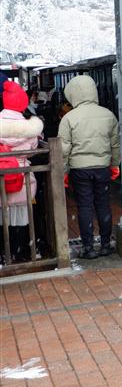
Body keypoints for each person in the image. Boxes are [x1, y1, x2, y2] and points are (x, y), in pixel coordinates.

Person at [58, 75, 120, 259]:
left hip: (79, 169)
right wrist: (115, 165)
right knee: (103, 205)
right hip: (102, 168)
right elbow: (115, 144)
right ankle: (106, 244)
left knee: (84, 206)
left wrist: (64, 171)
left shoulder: (69, 118)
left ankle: (88, 247)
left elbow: (63, 150)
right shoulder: (108, 114)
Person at [0, 80, 44, 263]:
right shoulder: (30, 129)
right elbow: (33, 150)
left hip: (1, 177)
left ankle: (4, 254)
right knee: (22, 215)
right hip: (22, 177)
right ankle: (22, 252)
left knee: (2, 215)